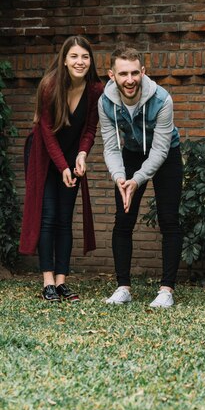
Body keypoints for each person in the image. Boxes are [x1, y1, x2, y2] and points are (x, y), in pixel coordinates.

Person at [19, 36, 103, 302]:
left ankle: (62, 281)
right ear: (64, 60)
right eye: (74, 56)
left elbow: (90, 128)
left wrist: (81, 154)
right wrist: (62, 166)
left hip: (71, 157)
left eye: (85, 57)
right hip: (44, 156)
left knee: (65, 218)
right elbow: (45, 132)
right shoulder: (49, 86)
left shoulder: (95, 90)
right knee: (49, 216)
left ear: (91, 61)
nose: (80, 62)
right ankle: (47, 283)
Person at [98, 47, 183, 308]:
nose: (130, 79)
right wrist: (120, 178)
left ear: (143, 72)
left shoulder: (162, 99)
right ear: (112, 75)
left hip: (167, 153)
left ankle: (166, 290)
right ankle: (123, 287)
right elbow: (111, 146)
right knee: (123, 220)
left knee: (169, 219)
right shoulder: (105, 102)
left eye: (135, 72)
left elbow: (159, 149)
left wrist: (138, 180)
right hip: (131, 153)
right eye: (123, 73)